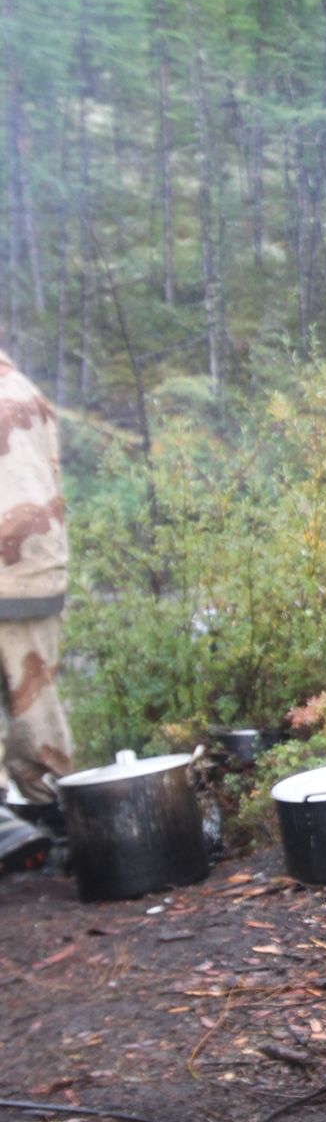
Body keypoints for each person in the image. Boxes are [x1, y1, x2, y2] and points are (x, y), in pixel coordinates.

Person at [0, 347, 73, 825]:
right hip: (40, 572)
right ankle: (63, 823)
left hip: (11, 566)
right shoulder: (27, 391)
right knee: (37, 709)